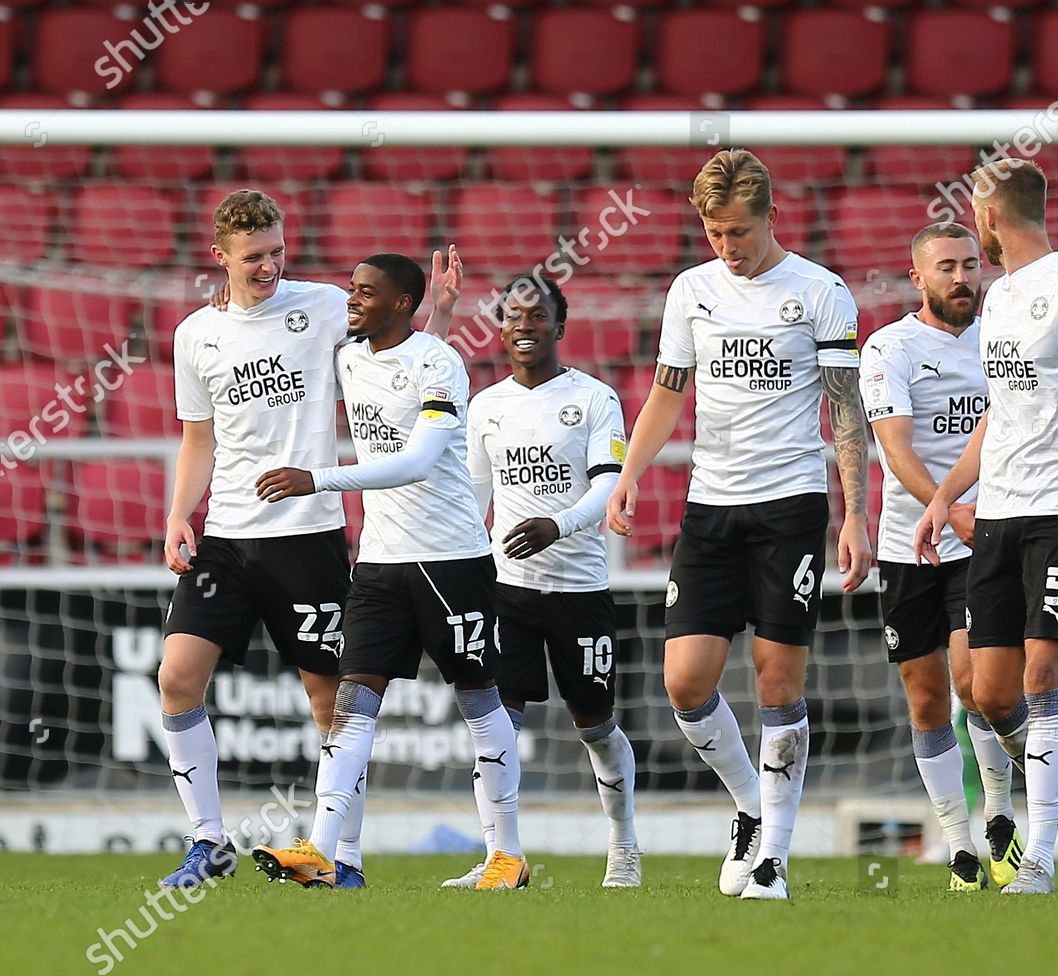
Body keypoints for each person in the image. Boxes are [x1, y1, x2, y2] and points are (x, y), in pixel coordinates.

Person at [158, 189, 458, 889]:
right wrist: (181, 512)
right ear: (220, 258)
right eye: (254, 257)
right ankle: (208, 842)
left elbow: (403, 361)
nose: (268, 266)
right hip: (228, 537)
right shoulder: (194, 336)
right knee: (176, 678)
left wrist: (437, 311)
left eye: (277, 251)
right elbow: (197, 436)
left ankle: (341, 857)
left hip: (309, 534)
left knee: (331, 703)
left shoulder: (323, 307)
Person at [606, 149, 871, 900]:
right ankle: (753, 805)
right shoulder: (692, 291)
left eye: (740, 232)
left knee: (777, 679)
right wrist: (628, 471)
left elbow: (844, 408)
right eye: (715, 232)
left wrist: (855, 513)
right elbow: (667, 394)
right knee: (685, 681)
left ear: (772, 217)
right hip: (711, 508)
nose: (728, 246)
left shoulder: (820, 292)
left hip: (790, 508)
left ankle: (773, 859)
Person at [248, 254, 526, 892]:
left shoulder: (441, 362)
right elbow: (405, 368)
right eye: (351, 288)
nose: (352, 300)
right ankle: (323, 850)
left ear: (401, 303)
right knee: (352, 706)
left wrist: (315, 480)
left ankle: (505, 856)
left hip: (450, 559)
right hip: (378, 563)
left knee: (481, 703)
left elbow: (419, 460)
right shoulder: (350, 357)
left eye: (366, 292)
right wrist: (443, 313)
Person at [916, 158, 1058, 895]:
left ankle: (1038, 858)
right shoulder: (1002, 298)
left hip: (1057, 514)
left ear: (988, 217)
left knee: (1045, 676)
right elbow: (1000, 415)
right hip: (998, 515)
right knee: (988, 695)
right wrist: (942, 494)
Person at [444, 274, 641, 890]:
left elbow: (609, 484)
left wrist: (558, 524)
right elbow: (472, 498)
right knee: (496, 723)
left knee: (596, 725)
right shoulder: (486, 406)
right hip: (508, 592)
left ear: (560, 325)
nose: (523, 325)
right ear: (499, 328)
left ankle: (623, 845)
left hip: (579, 590)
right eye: (512, 315)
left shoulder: (594, 399)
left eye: (536, 315)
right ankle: (504, 857)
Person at [860, 221, 1025, 890]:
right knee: (926, 698)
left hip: (988, 534)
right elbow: (895, 448)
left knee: (973, 682)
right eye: (945, 267)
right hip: (912, 543)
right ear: (918, 276)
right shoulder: (889, 347)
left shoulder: (1004, 341)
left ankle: (1000, 816)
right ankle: (959, 848)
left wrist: (968, 514)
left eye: (968, 264)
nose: (961, 277)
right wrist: (944, 507)